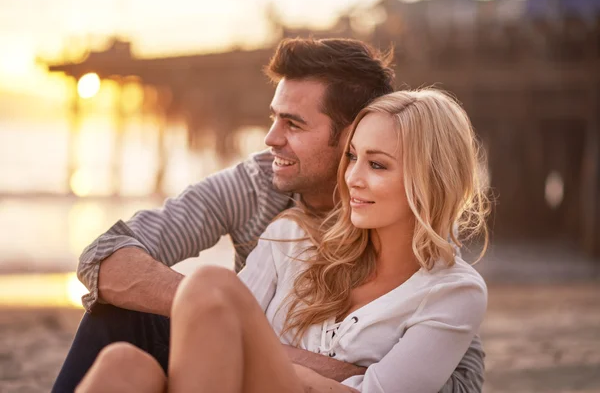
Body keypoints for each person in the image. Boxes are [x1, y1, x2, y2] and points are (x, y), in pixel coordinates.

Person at [52, 38, 486, 393]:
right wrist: (216, 314)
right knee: (124, 357)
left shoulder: (442, 281)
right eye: (355, 159)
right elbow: (104, 257)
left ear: (351, 129)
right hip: (240, 366)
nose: (270, 139)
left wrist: (234, 326)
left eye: (293, 125)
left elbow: (453, 379)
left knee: (210, 287)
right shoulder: (280, 221)